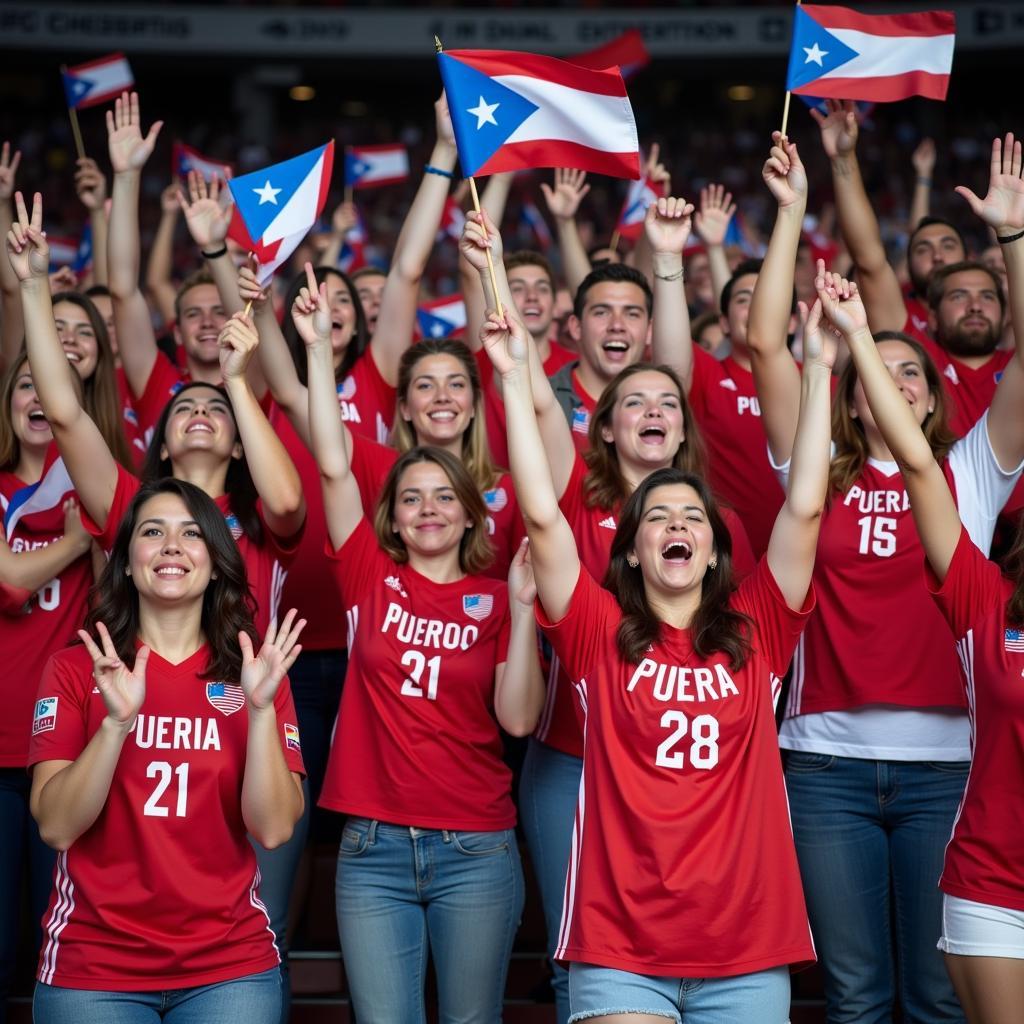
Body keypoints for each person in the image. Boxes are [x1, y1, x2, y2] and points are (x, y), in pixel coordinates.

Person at [480, 265, 832, 1020]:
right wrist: (515, 377)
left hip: (745, 945)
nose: (677, 525)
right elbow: (543, 517)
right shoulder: (599, 632)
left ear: (716, 548)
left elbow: (805, 508)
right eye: (658, 519)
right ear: (631, 551)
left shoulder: (756, 628)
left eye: (692, 519)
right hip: (620, 948)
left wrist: (825, 364)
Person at [747, 133, 1024, 1024]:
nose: (896, 382)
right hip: (825, 761)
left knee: (942, 999)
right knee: (858, 997)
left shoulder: (972, 472)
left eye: (913, 370)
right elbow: (765, 346)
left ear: (934, 395)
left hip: (951, 767)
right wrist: (792, 213)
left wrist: (1015, 243)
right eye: (880, 371)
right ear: (853, 387)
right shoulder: (813, 469)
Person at [295, 270, 545, 1023]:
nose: (428, 509)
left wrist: (528, 612)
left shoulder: (501, 597)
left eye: (444, 498)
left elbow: (520, 721)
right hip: (371, 848)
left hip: (476, 846)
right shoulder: (367, 572)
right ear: (393, 520)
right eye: (411, 498)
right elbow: (333, 459)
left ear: (472, 517)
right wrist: (315, 352)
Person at [28, 476, 305, 1022]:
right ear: (128, 561)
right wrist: (115, 724)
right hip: (94, 966)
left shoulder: (256, 678)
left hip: (230, 966)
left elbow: (273, 830)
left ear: (215, 560)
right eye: (153, 531)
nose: (172, 546)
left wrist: (260, 710)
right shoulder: (73, 669)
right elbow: (56, 827)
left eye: (192, 534)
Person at [9, 189, 305, 639]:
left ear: (240, 444)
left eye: (216, 408)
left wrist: (238, 381)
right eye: (183, 406)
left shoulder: (259, 517)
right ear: (161, 443)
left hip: (246, 705)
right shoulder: (129, 503)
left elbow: (287, 501)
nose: (200, 409)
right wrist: (33, 288)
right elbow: (65, 414)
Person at [0, 355, 94, 1024]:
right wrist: (72, 544)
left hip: (64, 750)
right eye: (24, 383)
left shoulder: (91, 487)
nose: (37, 396)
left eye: (51, 387)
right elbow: (9, 582)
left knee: (51, 939)